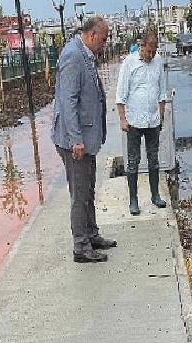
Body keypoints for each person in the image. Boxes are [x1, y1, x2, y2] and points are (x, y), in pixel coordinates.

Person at [52, 16, 117, 263]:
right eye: (103, 39)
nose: (104, 43)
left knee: (88, 188)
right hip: (74, 142)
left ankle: (91, 234)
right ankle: (81, 247)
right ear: (92, 36)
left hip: (86, 139)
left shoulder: (85, 54)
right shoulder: (72, 56)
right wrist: (76, 140)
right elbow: (67, 102)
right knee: (79, 194)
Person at [116, 32, 168, 215]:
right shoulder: (129, 63)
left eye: (154, 52)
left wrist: (162, 113)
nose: (151, 55)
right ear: (141, 46)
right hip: (134, 121)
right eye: (149, 52)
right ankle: (133, 199)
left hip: (153, 119)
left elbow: (162, 89)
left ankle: (155, 195)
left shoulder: (158, 61)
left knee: (154, 158)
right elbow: (121, 94)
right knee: (133, 161)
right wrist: (122, 118)